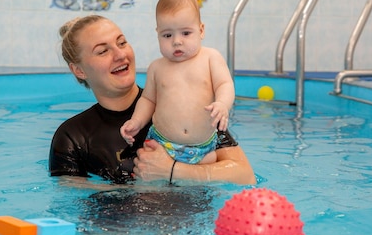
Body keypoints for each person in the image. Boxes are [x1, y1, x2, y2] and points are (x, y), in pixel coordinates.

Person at [48, 14, 256, 185]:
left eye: (122, 43)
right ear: (78, 70)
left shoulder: (184, 103)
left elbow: (245, 176)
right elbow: (71, 200)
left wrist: (173, 171)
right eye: (103, 51)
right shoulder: (72, 138)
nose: (120, 54)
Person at [120, 0, 234, 166]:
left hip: (202, 148)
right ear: (158, 33)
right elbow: (148, 100)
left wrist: (222, 104)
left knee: (208, 175)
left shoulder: (211, 58)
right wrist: (137, 121)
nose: (177, 41)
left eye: (186, 33)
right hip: (161, 144)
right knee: (147, 178)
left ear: (201, 30)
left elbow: (225, 84)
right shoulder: (157, 67)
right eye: (167, 35)